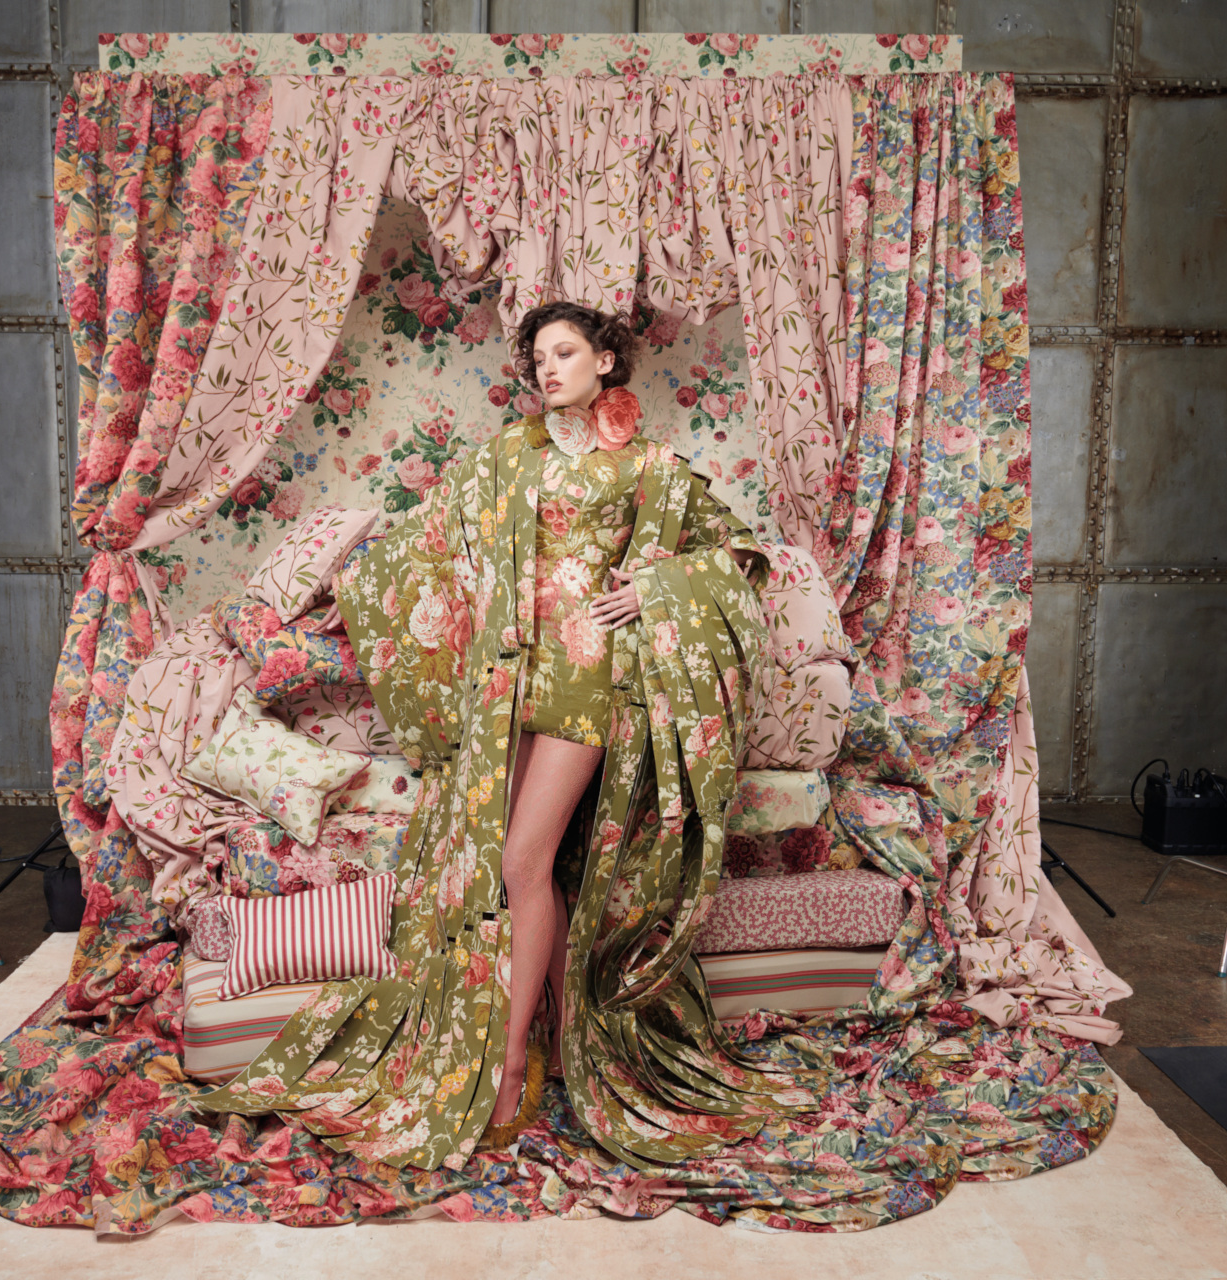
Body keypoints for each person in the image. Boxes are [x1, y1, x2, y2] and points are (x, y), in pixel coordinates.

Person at [200, 301, 818, 1169]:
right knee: (526, 866)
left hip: (590, 683)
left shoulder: (648, 467)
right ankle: (574, 1041)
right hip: (507, 688)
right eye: (537, 358)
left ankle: (513, 1059)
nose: (547, 369)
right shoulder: (503, 459)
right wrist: (348, 574)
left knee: (523, 863)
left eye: (565, 352)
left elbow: (736, 555)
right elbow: (428, 547)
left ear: (607, 362)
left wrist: (657, 588)